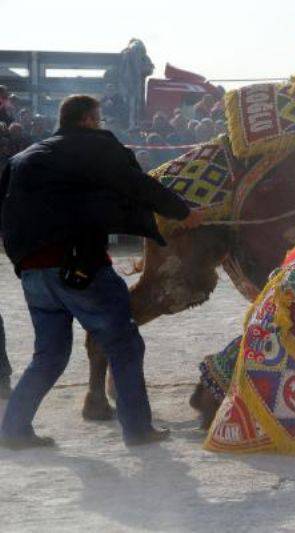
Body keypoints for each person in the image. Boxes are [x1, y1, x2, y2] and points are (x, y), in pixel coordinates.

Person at [0, 95, 201, 449]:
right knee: (124, 344)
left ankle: (13, 430)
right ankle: (138, 429)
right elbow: (137, 184)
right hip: (79, 265)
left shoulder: (21, 159)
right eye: (99, 118)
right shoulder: (92, 146)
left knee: (48, 357)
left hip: (33, 273)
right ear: (90, 120)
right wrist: (182, 212)